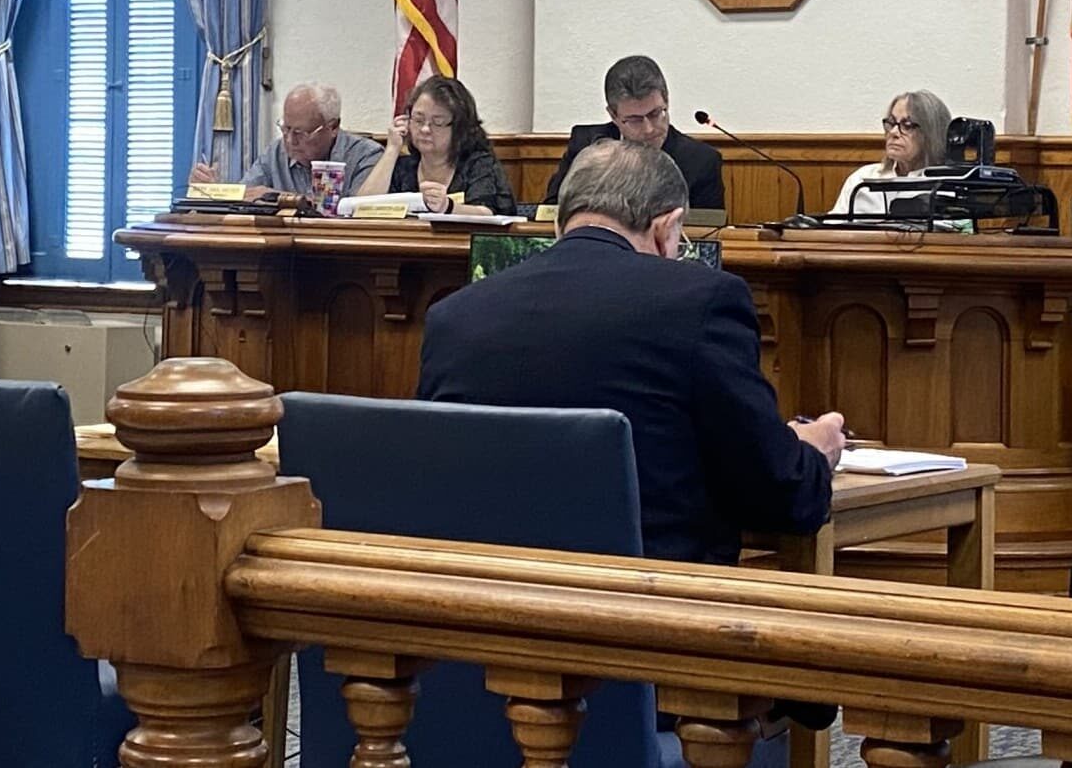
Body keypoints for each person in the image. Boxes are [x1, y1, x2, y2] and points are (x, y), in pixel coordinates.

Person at [418, 138, 843, 565]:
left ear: (559, 225)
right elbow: (778, 493)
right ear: (667, 227)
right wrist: (812, 453)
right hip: (651, 604)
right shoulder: (702, 301)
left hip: (487, 598)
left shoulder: (454, 316)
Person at [542, 55, 725, 211]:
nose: (649, 129)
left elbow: (708, 233)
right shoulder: (587, 145)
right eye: (635, 120)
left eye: (655, 114)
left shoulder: (701, 160)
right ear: (613, 115)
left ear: (666, 101)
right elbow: (553, 210)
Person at [189, 82, 382, 197]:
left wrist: (278, 198)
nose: (290, 140)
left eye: (300, 133)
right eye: (285, 128)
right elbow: (245, 196)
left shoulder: (366, 155)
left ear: (332, 127)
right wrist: (215, 191)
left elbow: (358, 214)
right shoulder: (276, 152)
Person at [357, 75, 514, 215]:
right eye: (418, 120)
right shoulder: (404, 168)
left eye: (437, 123)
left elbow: (486, 213)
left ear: (459, 128)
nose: (425, 129)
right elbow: (362, 208)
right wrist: (392, 150)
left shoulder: (478, 164)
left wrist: (448, 207)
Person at [830, 90, 952, 215]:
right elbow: (831, 230)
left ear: (931, 135)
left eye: (907, 125)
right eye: (891, 123)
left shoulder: (948, 186)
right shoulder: (862, 179)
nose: (894, 132)